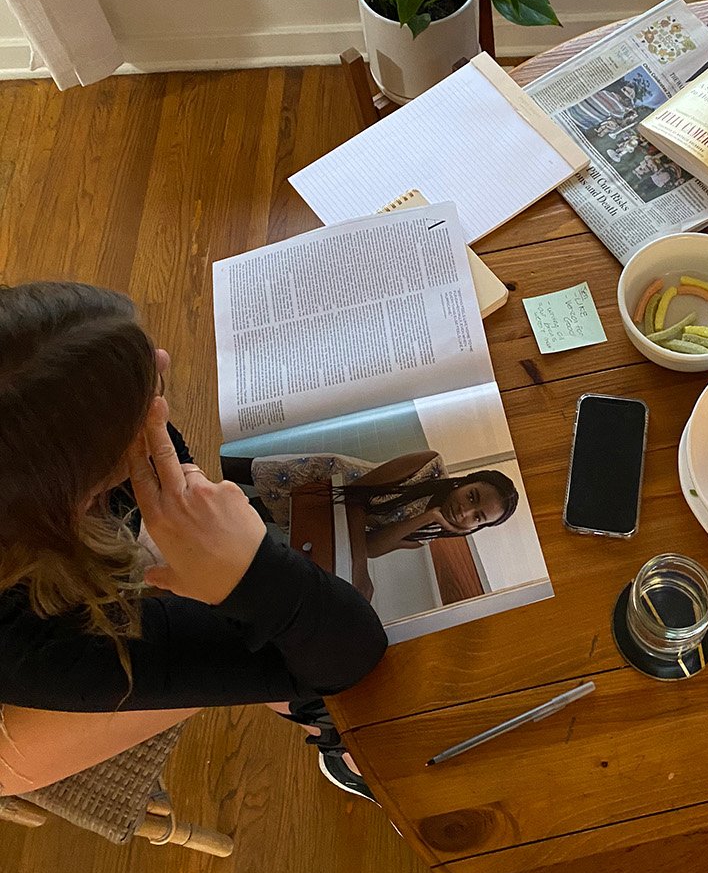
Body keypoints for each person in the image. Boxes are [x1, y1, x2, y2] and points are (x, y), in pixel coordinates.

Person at [0, 282, 387, 802]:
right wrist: (252, 573)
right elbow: (348, 656)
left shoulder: (23, 429)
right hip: (19, 686)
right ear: (75, 499)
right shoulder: (36, 650)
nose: (163, 357)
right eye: (141, 416)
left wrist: (169, 465)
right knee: (284, 649)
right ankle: (336, 736)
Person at [226, 451, 519, 605]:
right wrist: (360, 570)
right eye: (472, 496)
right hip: (317, 481)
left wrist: (426, 518)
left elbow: (372, 546)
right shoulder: (430, 464)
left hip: (320, 513)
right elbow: (357, 495)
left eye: (478, 517)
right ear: (466, 481)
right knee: (221, 468)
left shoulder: (427, 534)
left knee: (233, 509)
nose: (466, 511)